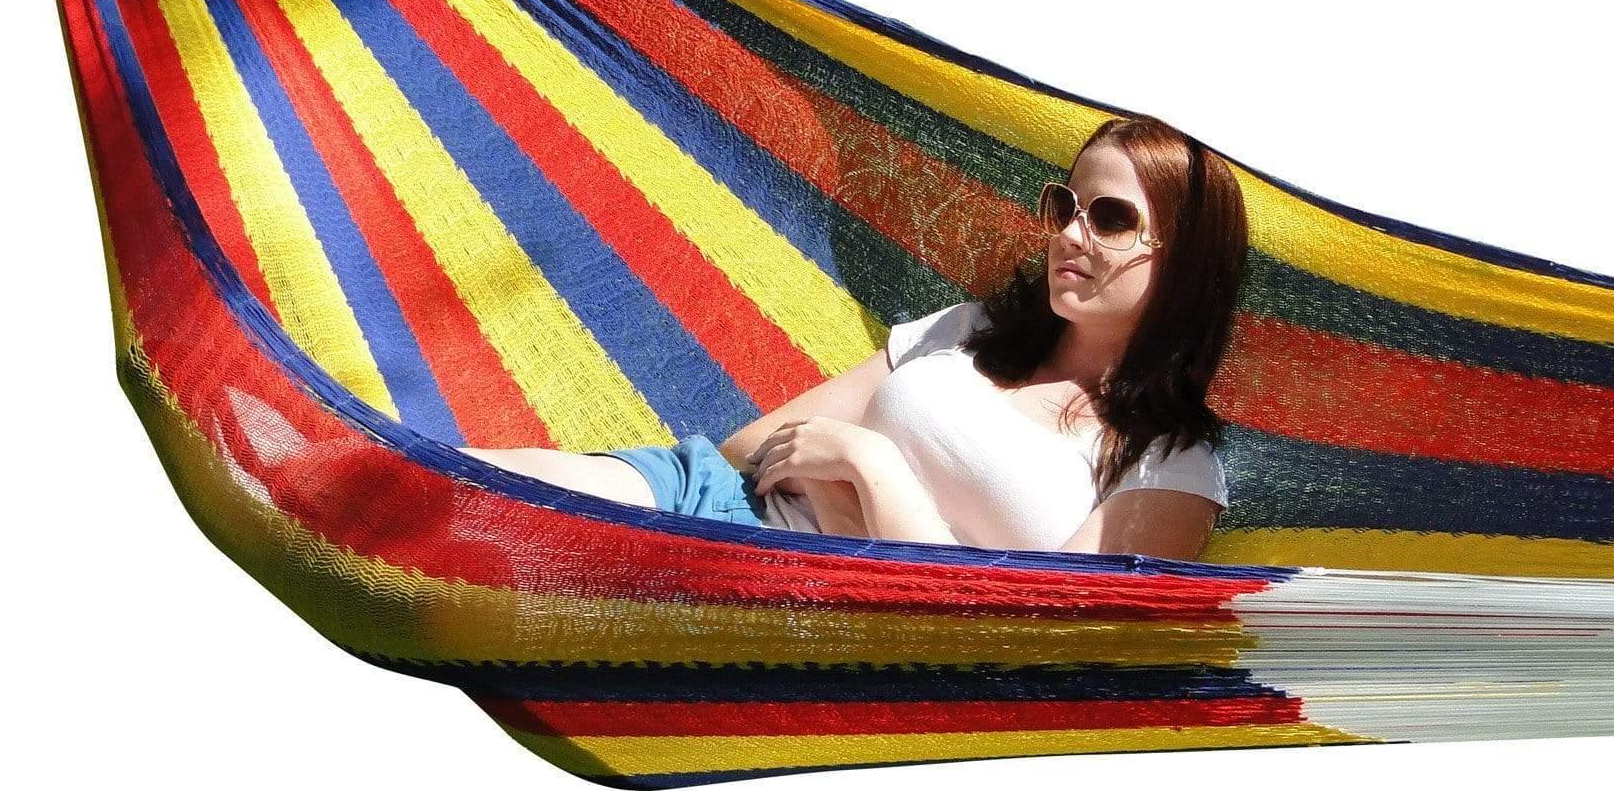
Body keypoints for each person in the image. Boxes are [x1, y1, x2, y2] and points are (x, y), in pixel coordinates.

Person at [459, 113, 1250, 560]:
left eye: (1110, 217)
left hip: (828, 627)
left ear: (1182, 259)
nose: (1070, 234)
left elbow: (1035, 644)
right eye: (1063, 206)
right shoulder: (973, 329)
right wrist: (838, 489)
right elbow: (749, 446)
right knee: (460, 489)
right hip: (719, 506)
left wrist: (870, 468)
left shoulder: (1168, 465)